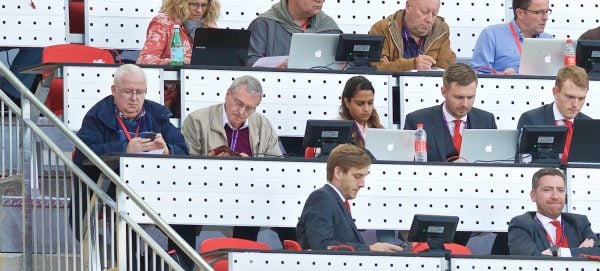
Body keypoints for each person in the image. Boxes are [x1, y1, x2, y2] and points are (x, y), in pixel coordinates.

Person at [71, 64, 195, 269]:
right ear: (114, 91)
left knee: (185, 210)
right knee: (125, 209)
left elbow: (184, 149)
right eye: (128, 92)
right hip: (112, 191)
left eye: (140, 92)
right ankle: (134, 265)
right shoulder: (96, 116)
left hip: (155, 189)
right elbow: (83, 154)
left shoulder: (158, 115)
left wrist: (168, 151)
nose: (134, 98)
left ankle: (179, 263)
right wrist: (124, 148)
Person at [181, 75, 290, 243]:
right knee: (180, 214)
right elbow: (182, 169)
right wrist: (207, 162)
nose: (241, 112)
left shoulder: (263, 124)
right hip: (205, 191)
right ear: (227, 95)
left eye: (249, 108)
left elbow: (277, 167)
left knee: (291, 215)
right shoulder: (197, 120)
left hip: (249, 194)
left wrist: (253, 166)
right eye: (239, 103)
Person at [296, 143, 405, 252]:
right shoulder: (321, 199)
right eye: (357, 176)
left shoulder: (333, 200)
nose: (362, 184)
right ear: (338, 173)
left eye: (364, 176)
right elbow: (321, 246)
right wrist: (369, 249)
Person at [403, 63, 497, 163]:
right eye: (458, 97)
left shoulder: (487, 121)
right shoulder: (416, 120)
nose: (465, 104)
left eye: (470, 97)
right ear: (443, 92)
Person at [508, 168, 600, 256]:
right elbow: (530, 261)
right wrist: (579, 252)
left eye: (560, 190)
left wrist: (559, 252)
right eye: (547, 190)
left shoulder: (580, 222)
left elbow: (598, 251)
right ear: (533, 195)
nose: (555, 196)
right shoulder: (521, 224)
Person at [516, 65, 590, 164]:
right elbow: (523, 163)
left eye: (581, 98)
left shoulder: (589, 126)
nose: (575, 105)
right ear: (555, 92)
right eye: (570, 97)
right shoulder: (532, 120)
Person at [246, 0, 342, 68]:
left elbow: (342, 65)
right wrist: (275, 66)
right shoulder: (264, 24)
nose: (319, 0)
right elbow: (249, 62)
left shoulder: (329, 28)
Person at [368, 0, 456, 72]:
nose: (429, 20)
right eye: (424, 12)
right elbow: (376, 67)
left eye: (434, 14)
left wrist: (392, 65)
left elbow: (446, 70)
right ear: (408, 6)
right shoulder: (382, 29)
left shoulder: (441, 30)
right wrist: (412, 64)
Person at [471, 0, 552, 75]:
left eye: (546, 11)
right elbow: (478, 74)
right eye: (539, 12)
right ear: (520, 13)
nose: (546, 18)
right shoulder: (491, 35)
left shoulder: (549, 40)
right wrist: (500, 77)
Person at [137, 0, 220, 65]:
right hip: (172, 83)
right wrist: (175, 61)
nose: (199, 10)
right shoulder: (163, 23)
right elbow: (144, 60)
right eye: (194, 4)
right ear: (180, 3)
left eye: (204, 5)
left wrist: (213, 39)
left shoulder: (208, 24)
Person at [339, 76, 384, 148]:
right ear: (347, 102)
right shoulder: (339, 130)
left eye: (370, 103)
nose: (366, 109)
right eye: (360, 104)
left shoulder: (380, 130)